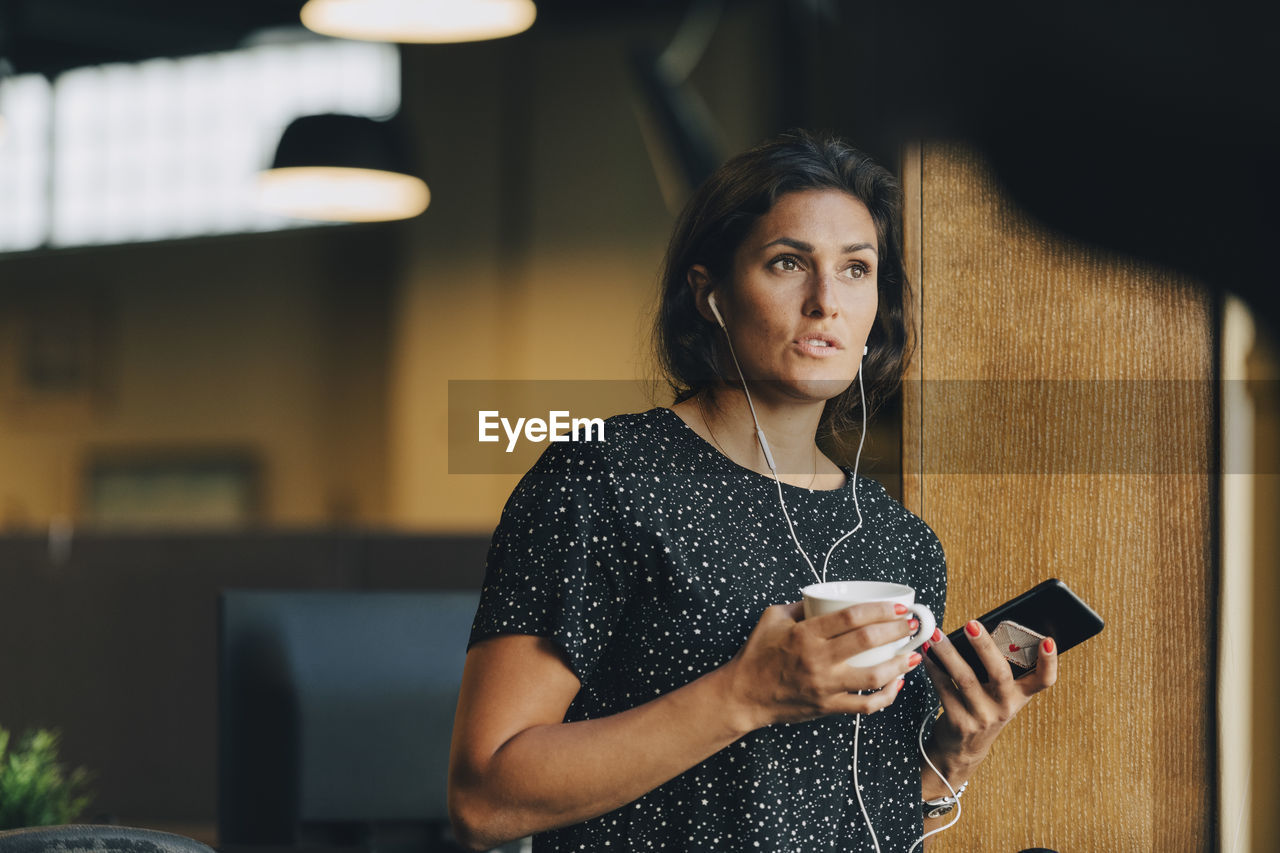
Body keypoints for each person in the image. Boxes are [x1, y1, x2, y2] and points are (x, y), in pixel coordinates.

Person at [448, 130, 1058, 852]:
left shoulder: (902, 541)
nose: (825, 300)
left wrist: (954, 752)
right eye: (787, 262)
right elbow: (484, 796)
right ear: (711, 294)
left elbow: (861, 811)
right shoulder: (603, 478)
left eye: (856, 269)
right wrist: (745, 694)